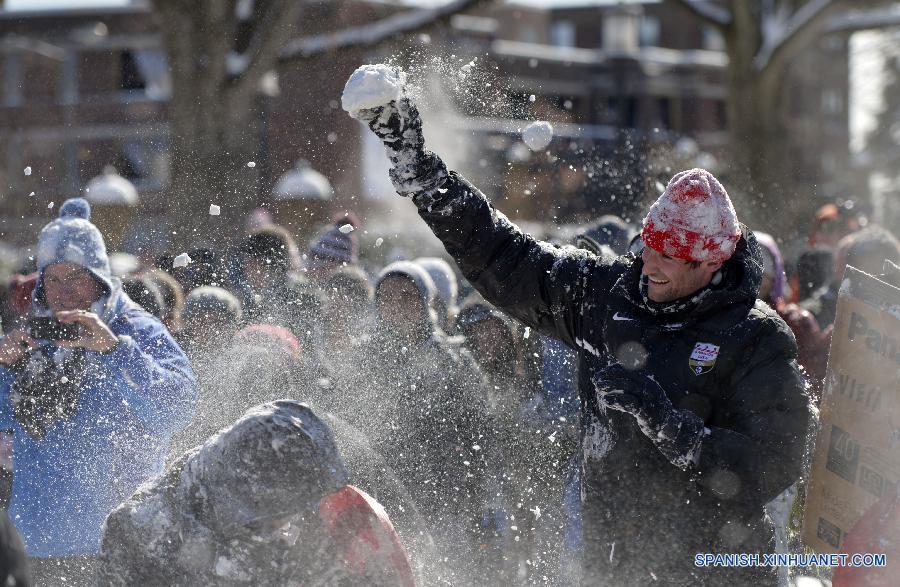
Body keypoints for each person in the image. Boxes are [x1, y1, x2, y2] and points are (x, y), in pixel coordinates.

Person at [345, 65, 812, 584]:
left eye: (669, 258)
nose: (650, 265)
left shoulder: (756, 338)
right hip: (614, 567)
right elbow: (506, 258)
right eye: (647, 247)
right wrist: (422, 171)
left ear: (710, 264)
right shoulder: (610, 297)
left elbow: (775, 464)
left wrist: (670, 424)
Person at [0, 198, 196, 581]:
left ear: (99, 277)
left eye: (74, 277)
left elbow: (179, 409)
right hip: (35, 544)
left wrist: (115, 352)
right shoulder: (39, 334)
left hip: (115, 543)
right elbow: (9, 421)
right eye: (52, 279)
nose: (62, 291)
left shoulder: (135, 328)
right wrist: (5, 368)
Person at [96, 400, 414, 586]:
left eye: (298, 507)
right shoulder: (141, 530)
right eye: (280, 513)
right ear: (242, 499)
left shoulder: (304, 503)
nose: (292, 519)